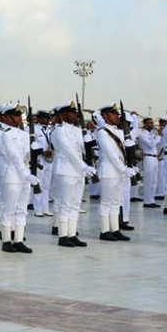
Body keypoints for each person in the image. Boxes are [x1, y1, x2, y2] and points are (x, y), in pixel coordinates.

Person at [50, 101, 94, 247]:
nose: (74, 115)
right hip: (66, 170)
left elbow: (81, 150)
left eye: (75, 112)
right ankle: (63, 235)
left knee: (75, 205)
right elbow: (69, 152)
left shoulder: (77, 130)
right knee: (65, 204)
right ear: (62, 115)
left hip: (78, 172)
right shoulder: (59, 131)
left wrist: (89, 142)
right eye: (71, 112)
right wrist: (84, 166)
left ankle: (72, 233)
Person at [0, 102, 37, 254]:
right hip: (13, 174)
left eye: (19, 115)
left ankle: (19, 239)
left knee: (22, 210)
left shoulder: (25, 134)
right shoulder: (5, 134)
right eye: (15, 115)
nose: (19, 118)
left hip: (25, 175)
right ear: (7, 117)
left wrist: (34, 151)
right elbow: (13, 157)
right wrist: (26, 173)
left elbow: (26, 156)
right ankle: (7, 240)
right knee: (9, 209)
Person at [94, 104, 136, 241]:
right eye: (113, 114)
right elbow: (111, 154)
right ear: (105, 116)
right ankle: (104, 231)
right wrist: (123, 169)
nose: (117, 116)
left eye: (117, 114)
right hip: (109, 171)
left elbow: (122, 152)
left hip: (119, 172)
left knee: (116, 201)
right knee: (106, 202)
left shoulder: (118, 132)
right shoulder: (102, 132)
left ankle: (115, 228)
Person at [139, 116, 161, 208]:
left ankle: (152, 199)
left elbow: (159, 144)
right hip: (148, 157)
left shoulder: (152, 133)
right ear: (145, 124)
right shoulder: (143, 134)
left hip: (155, 158)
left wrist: (158, 137)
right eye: (149, 123)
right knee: (148, 180)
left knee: (154, 180)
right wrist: (158, 136)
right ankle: (147, 201)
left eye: (152, 123)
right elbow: (151, 144)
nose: (152, 125)